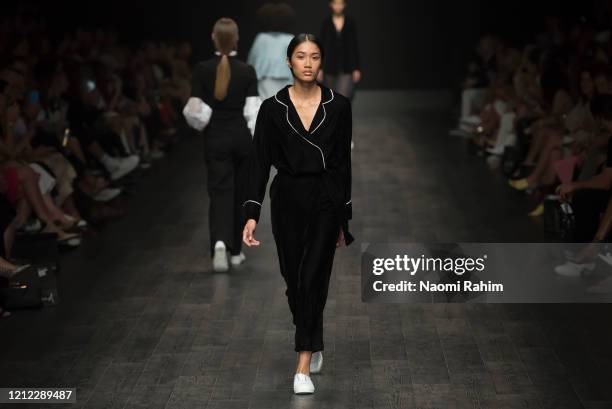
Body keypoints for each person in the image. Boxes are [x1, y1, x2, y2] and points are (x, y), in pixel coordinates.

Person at [242, 33, 354, 395]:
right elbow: (259, 164)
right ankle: (312, 334)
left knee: (312, 277)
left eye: (315, 56)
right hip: (287, 197)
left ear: (321, 63)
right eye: (301, 56)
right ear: (288, 62)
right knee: (294, 280)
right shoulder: (272, 109)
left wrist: (343, 218)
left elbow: (342, 165)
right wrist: (251, 213)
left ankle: (302, 363)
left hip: (325, 198)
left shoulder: (339, 106)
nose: (308, 62)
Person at [184, 18, 261, 272]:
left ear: (213, 38)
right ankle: (237, 252)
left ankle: (219, 244)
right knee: (240, 193)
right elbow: (254, 112)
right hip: (241, 140)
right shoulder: (247, 71)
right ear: (236, 39)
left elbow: (195, 112)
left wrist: (204, 124)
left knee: (219, 193)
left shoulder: (202, 69)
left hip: (215, 139)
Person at [247, 2, 295, 99]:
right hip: (286, 80)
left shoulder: (261, 38)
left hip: (264, 80)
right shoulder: (290, 39)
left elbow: (251, 63)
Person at [318, 0, 361, 102]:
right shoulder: (326, 22)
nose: (338, 6)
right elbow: (321, 46)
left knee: (344, 96)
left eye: (340, 3)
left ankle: (342, 117)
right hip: (329, 66)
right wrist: (319, 68)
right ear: (331, 5)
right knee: (330, 98)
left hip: (347, 66)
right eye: (335, 3)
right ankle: (334, 118)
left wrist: (356, 68)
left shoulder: (350, 22)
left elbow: (354, 46)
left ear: (344, 5)